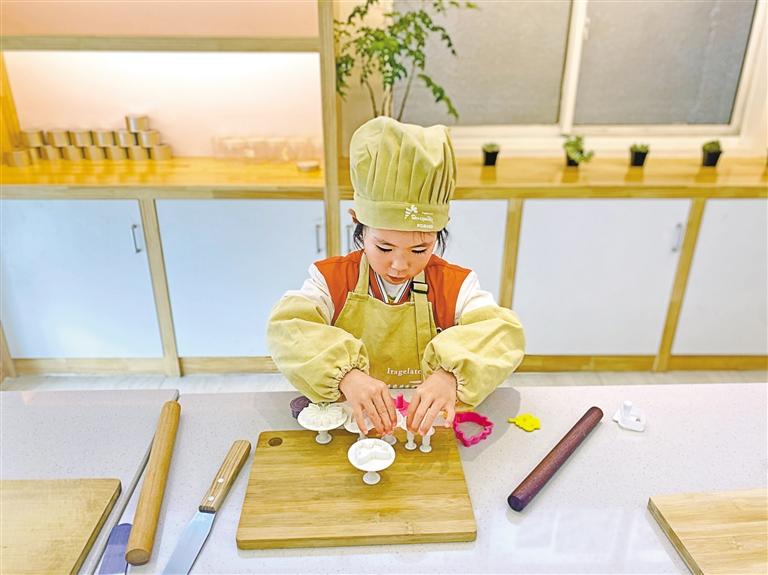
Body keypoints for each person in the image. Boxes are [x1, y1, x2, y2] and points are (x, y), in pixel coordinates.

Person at [267, 116, 525, 439]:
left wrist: (449, 376)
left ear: (439, 234)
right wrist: (346, 376)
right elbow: (287, 329)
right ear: (358, 223)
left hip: (422, 431)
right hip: (351, 432)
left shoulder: (456, 286)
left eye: (419, 249)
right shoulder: (329, 280)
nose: (399, 265)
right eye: (384, 247)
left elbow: (503, 335)